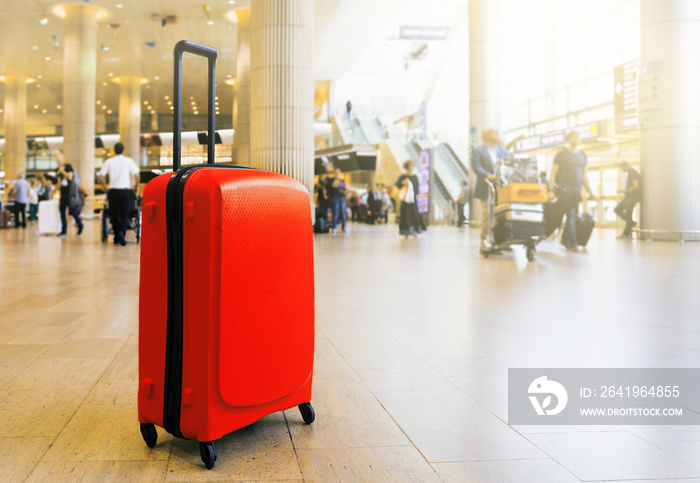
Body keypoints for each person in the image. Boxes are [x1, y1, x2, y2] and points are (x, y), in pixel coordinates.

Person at [548, 130, 598, 251]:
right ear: (568, 139)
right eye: (574, 136)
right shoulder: (561, 155)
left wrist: (591, 193)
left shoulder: (583, 155)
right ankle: (571, 242)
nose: (577, 138)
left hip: (576, 192)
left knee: (572, 215)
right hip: (563, 190)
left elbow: (584, 176)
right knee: (570, 215)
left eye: (578, 136)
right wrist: (550, 190)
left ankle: (567, 240)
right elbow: (553, 174)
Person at [471, 128, 511, 250]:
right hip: (486, 186)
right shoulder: (478, 151)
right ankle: (485, 240)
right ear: (487, 135)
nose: (497, 134)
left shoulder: (501, 149)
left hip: (502, 187)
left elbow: (509, 161)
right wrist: (488, 175)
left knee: (502, 214)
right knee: (488, 213)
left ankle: (502, 240)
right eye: (495, 133)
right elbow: (476, 166)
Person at [99, 142, 140, 245]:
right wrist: (136, 186)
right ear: (123, 150)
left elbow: (101, 176)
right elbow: (137, 176)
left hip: (113, 192)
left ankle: (117, 237)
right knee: (125, 214)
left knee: (114, 214)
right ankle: (121, 232)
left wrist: (104, 186)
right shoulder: (128, 161)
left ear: (114, 150)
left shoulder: (109, 161)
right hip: (125, 192)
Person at [395, 160, 424, 238]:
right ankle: (406, 232)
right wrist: (404, 183)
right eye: (411, 165)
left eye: (413, 165)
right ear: (407, 166)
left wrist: (418, 196)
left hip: (413, 200)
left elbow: (417, 188)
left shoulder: (415, 177)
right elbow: (398, 186)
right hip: (405, 200)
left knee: (414, 215)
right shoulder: (403, 177)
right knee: (405, 215)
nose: (412, 166)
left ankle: (413, 231)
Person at [614, 161, 642, 238]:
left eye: (622, 168)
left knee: (628, 214)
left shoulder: (633, 173)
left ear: (625, 166)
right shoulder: (630, 173)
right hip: (628, 197)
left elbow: (635, 186)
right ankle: (631, 222)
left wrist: (623, 190)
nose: (622, 170)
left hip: (633, 197)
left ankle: (626, 234)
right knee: (617, 209)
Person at [57, 162, 84, 236]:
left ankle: (80, 224)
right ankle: (63, 230)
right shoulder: (60, 173)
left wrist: (62, 171)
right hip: (62, 195)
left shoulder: (68, 167)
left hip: (69, 196)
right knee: (62, 212)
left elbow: (70, 177)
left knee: (72, 211)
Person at [326, 168, 348, 234]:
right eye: (336, 172)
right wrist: (336, 180)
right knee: (336, 212)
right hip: (335, 197)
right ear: (334, 173)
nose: (337, 173)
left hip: (342, 197)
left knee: (343, 213)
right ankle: (334, 227)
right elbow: (332, 186)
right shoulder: (331, 180)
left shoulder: (342, 180)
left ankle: (343, 227)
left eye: (338, 172)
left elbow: (344, 189)